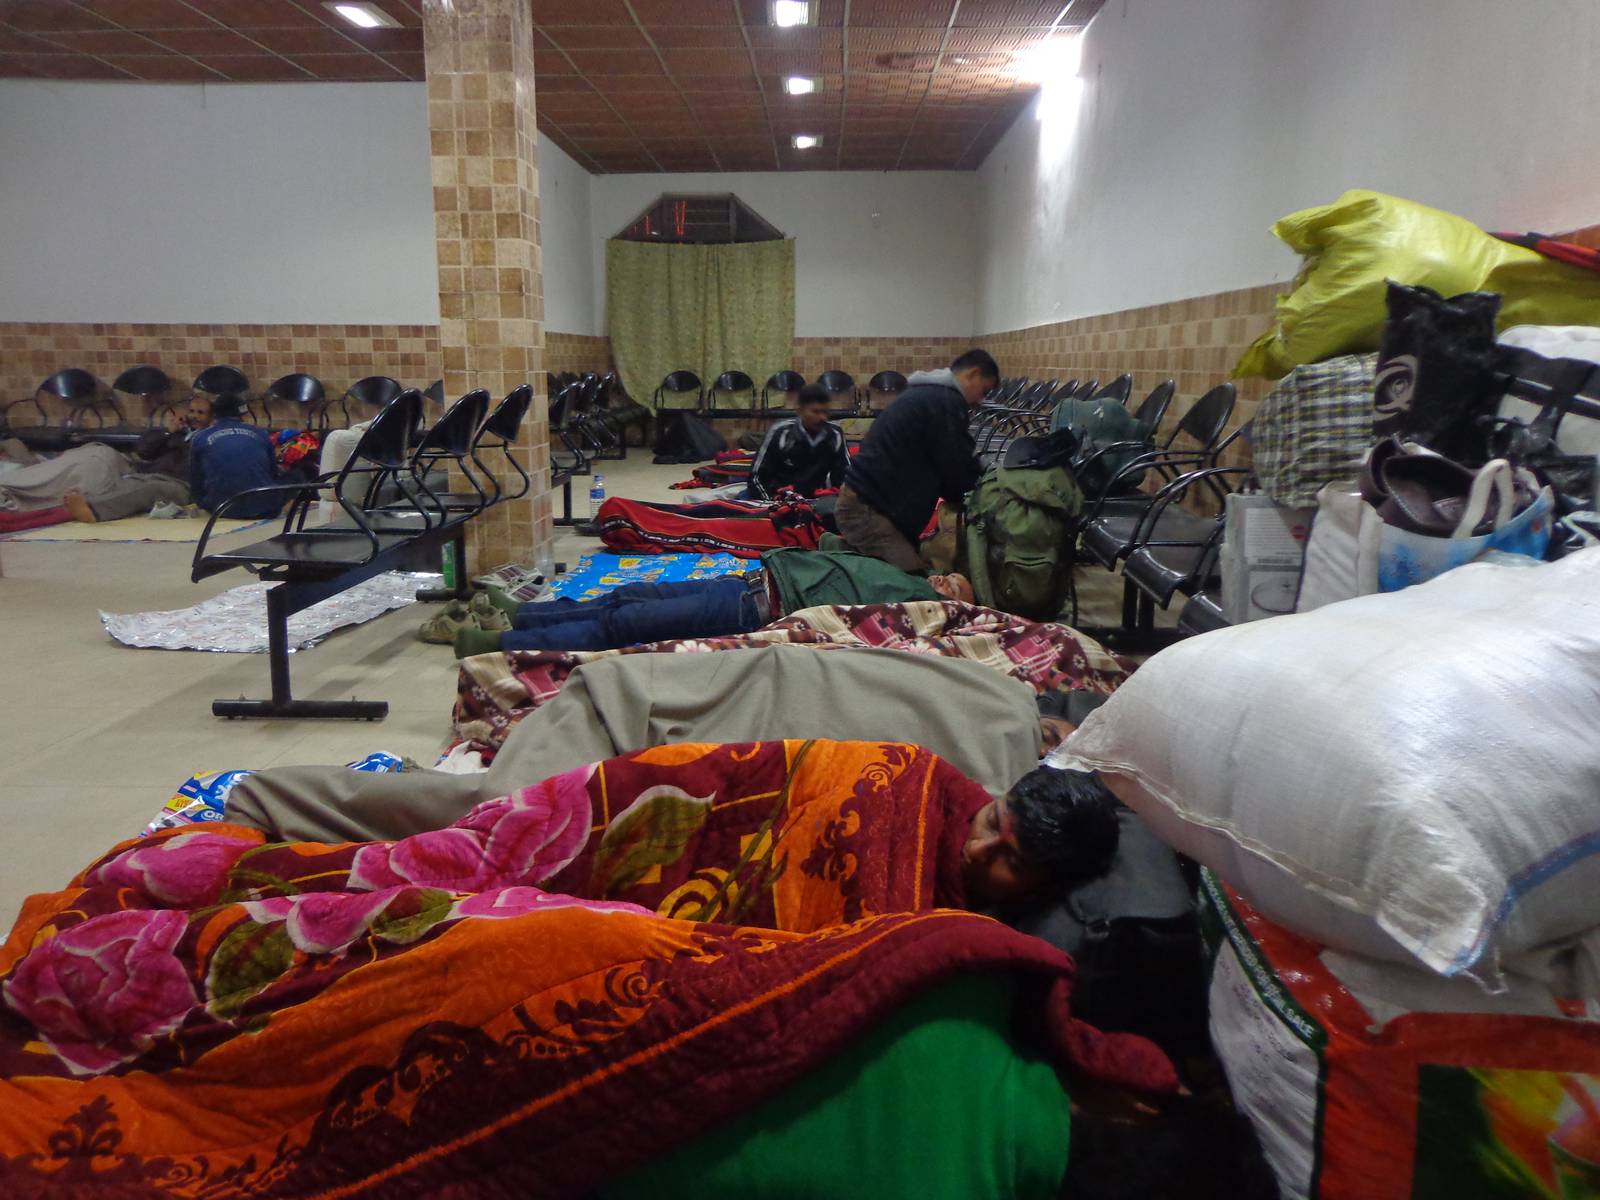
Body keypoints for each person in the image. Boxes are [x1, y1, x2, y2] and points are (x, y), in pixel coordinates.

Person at [226, 645, 1064, 843]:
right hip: (620, 712)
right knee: (500, 822)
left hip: (659, 731)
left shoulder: (999, 709)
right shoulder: (992, 756)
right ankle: (253, 798)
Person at [452, 545, 976, 657]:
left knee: (627, 623)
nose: (948, 581)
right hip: (752, 581)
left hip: (757, 609)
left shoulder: (909, 601)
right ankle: (525, 610)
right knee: (629, 593)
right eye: (951, 576)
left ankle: (499, 641)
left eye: (956, 589)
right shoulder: (907, 573)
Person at [835, 348, 999, 572]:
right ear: (972, 374)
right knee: (913, 585)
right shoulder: (945, 402)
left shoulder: (928, 394)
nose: (980, 400)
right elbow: (955, 465)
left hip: (873, 505)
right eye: (984, 390)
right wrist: (984, 493)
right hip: (868, 511)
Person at [60, 401, 199, 524]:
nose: (194, 416)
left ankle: (93, 511)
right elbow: (143, 451)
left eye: (201, 413)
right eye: (191, 412)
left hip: (182, 485)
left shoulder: (206, 438)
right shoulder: (173, 434)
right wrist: (168, 432)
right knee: (123, 482)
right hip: (150, 474)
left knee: (148, 489)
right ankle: (87, 500)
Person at [187, 391, 283, 517]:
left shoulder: (200, 438)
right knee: (297, 475)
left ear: (214, 414)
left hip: (220, 508)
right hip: (263, 508)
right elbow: (272, 473)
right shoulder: (261, 434)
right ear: (242, 413)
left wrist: (203, 503)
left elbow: (196, 479)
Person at [749, 383, 850, 500]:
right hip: (780, 501)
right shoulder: (781, 433)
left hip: (816, 502)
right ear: (800, 411)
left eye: (825, 412)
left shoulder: (835, 435)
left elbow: (845, 477)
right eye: (816, 412)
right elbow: (756, 477)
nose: (823, 417)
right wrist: (771, 505)